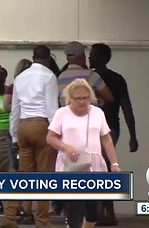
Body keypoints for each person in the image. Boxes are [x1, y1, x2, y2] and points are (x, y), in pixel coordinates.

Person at [46, 79, 121, 228]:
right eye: (77, 98)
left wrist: (114, 163)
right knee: (74, 211)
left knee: (94, 212)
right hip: (70, 166)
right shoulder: (62, 113)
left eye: (85, 98)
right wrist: (65, 147)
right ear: (70, 98)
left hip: (94, 167)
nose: (82, 102)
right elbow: (50, 138)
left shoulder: (97, 112)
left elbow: (106, 139)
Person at [3, 45, 59, 228]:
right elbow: (51, 108)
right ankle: (42, 220)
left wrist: (14, 136)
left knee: (23, 175)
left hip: (23, 127)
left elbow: (15, 109)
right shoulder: (49, 76)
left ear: (33, 57)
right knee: (44, 176)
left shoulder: (20, 77)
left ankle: (10, 217)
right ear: (48, 59)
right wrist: (57, 131)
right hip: (42, 125)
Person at [89, 43, 138, 225]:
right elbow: (126, 107)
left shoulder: (109, 79)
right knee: (102, 168)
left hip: (107, 129)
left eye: (93, 55)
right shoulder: (90, 77)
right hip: (104, 129)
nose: (89, 57)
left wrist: (133, 135)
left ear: (103, 58)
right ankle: (105, 212)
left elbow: (126, 107)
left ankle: (105, 213)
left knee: (101, 168)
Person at [58, 41, 113, 107]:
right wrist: (98, 101)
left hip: (67, 116)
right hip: (88, 116)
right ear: (83, 56)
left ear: (67, 58)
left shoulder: (60, 78)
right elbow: (109, 97)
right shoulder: (91, 75)